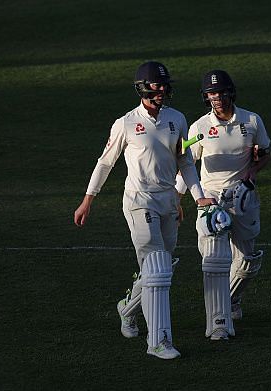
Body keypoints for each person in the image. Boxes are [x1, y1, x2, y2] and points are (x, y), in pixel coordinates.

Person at [73, 61, 215, 359]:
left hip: (167, 201)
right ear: (143, 88)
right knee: (157, 268)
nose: (163, 90)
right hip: (139, 201)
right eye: (158, 85)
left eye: (165, 85)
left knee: (163, 267)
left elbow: (185, 163)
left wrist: (196, 197)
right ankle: (158, 342)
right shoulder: (125, 122)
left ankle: (127, 308)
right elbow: (105, 162)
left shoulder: (176, 119)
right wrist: (88, 199)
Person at [175, 70, 271, 340]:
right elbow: (186, 164)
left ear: (231, 92)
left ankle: (230, 302)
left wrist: (253, 170)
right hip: (211, 201)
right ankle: (218, 322)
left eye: (220, 92)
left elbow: (265, 154)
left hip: (243, 198)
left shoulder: (252, 121)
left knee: (247, 263)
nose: (216, 98)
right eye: (211, 94)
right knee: (215, 261)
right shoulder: (199, 128)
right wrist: (176, 200)